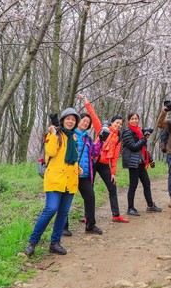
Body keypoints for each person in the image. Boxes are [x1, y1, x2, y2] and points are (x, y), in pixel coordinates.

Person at [24, 108, 82, 257]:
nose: (70, 121)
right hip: (55, 179)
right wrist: (54, 134)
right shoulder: (54, 134)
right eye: (68, 118)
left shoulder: (74, 138)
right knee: (51, 209)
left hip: (70, 180)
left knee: (63, 213)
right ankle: (33, 242)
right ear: (63, 120)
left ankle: (55, 243)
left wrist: (78, 168)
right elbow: (51, 152)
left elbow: (71, 158)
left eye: (73, 119)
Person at [63, 96, 104, 236]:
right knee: (66, 200)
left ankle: (90, 225)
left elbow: (94, 153)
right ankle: (63, 227)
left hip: (85, 175)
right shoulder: (69, 135)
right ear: (78, 121)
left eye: (88, 122)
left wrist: (101, 142)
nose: (85, 123)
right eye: (83, 121)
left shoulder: (88, 138)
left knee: (90, 198)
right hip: (71, 173)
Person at [121, 112, 163, 215]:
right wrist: (145, 138)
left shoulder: (139, 131)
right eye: (132, 119)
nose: (135, 120)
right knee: (133, 186)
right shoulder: (127, 132)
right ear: (129, 121)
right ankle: (130, 208)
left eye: (136, 118)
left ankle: (150, 205)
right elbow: (134, 147)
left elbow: (143, 149)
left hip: (141, 162)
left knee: (147, 184)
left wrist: (151, 159)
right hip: (133, 163)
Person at [95, 116, 129, 222]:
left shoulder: (118, 138)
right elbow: (94, 117)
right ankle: (88, 216)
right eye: (117, 123)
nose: (118, 125)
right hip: (93, 162)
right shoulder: (102, 129)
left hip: (105, 165)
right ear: (111, 122)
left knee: (112, 188)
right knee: (89, 190)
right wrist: (86, 102)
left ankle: (116, 215)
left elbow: (115, 157)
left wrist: (113, 172)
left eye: (120, 124)